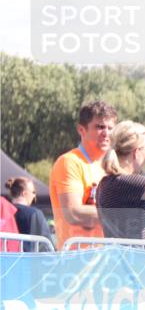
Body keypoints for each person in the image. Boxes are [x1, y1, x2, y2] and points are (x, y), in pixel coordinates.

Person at [49, 100, 118, 246]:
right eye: (100, 127)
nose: (106, 133)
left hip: (106, 256)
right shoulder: (69, 162)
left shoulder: (111, 167)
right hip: (77, 256)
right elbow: (73, 213)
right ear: (81, 130)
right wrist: (122, 215)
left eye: (110, 128)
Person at [6, 177, 53, 250]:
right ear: (24, 193)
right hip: (28, 256)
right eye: (33, 192)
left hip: (5, 256)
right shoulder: (34, 213)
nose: (34, 195)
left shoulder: (3, 212)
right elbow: (46, 246)